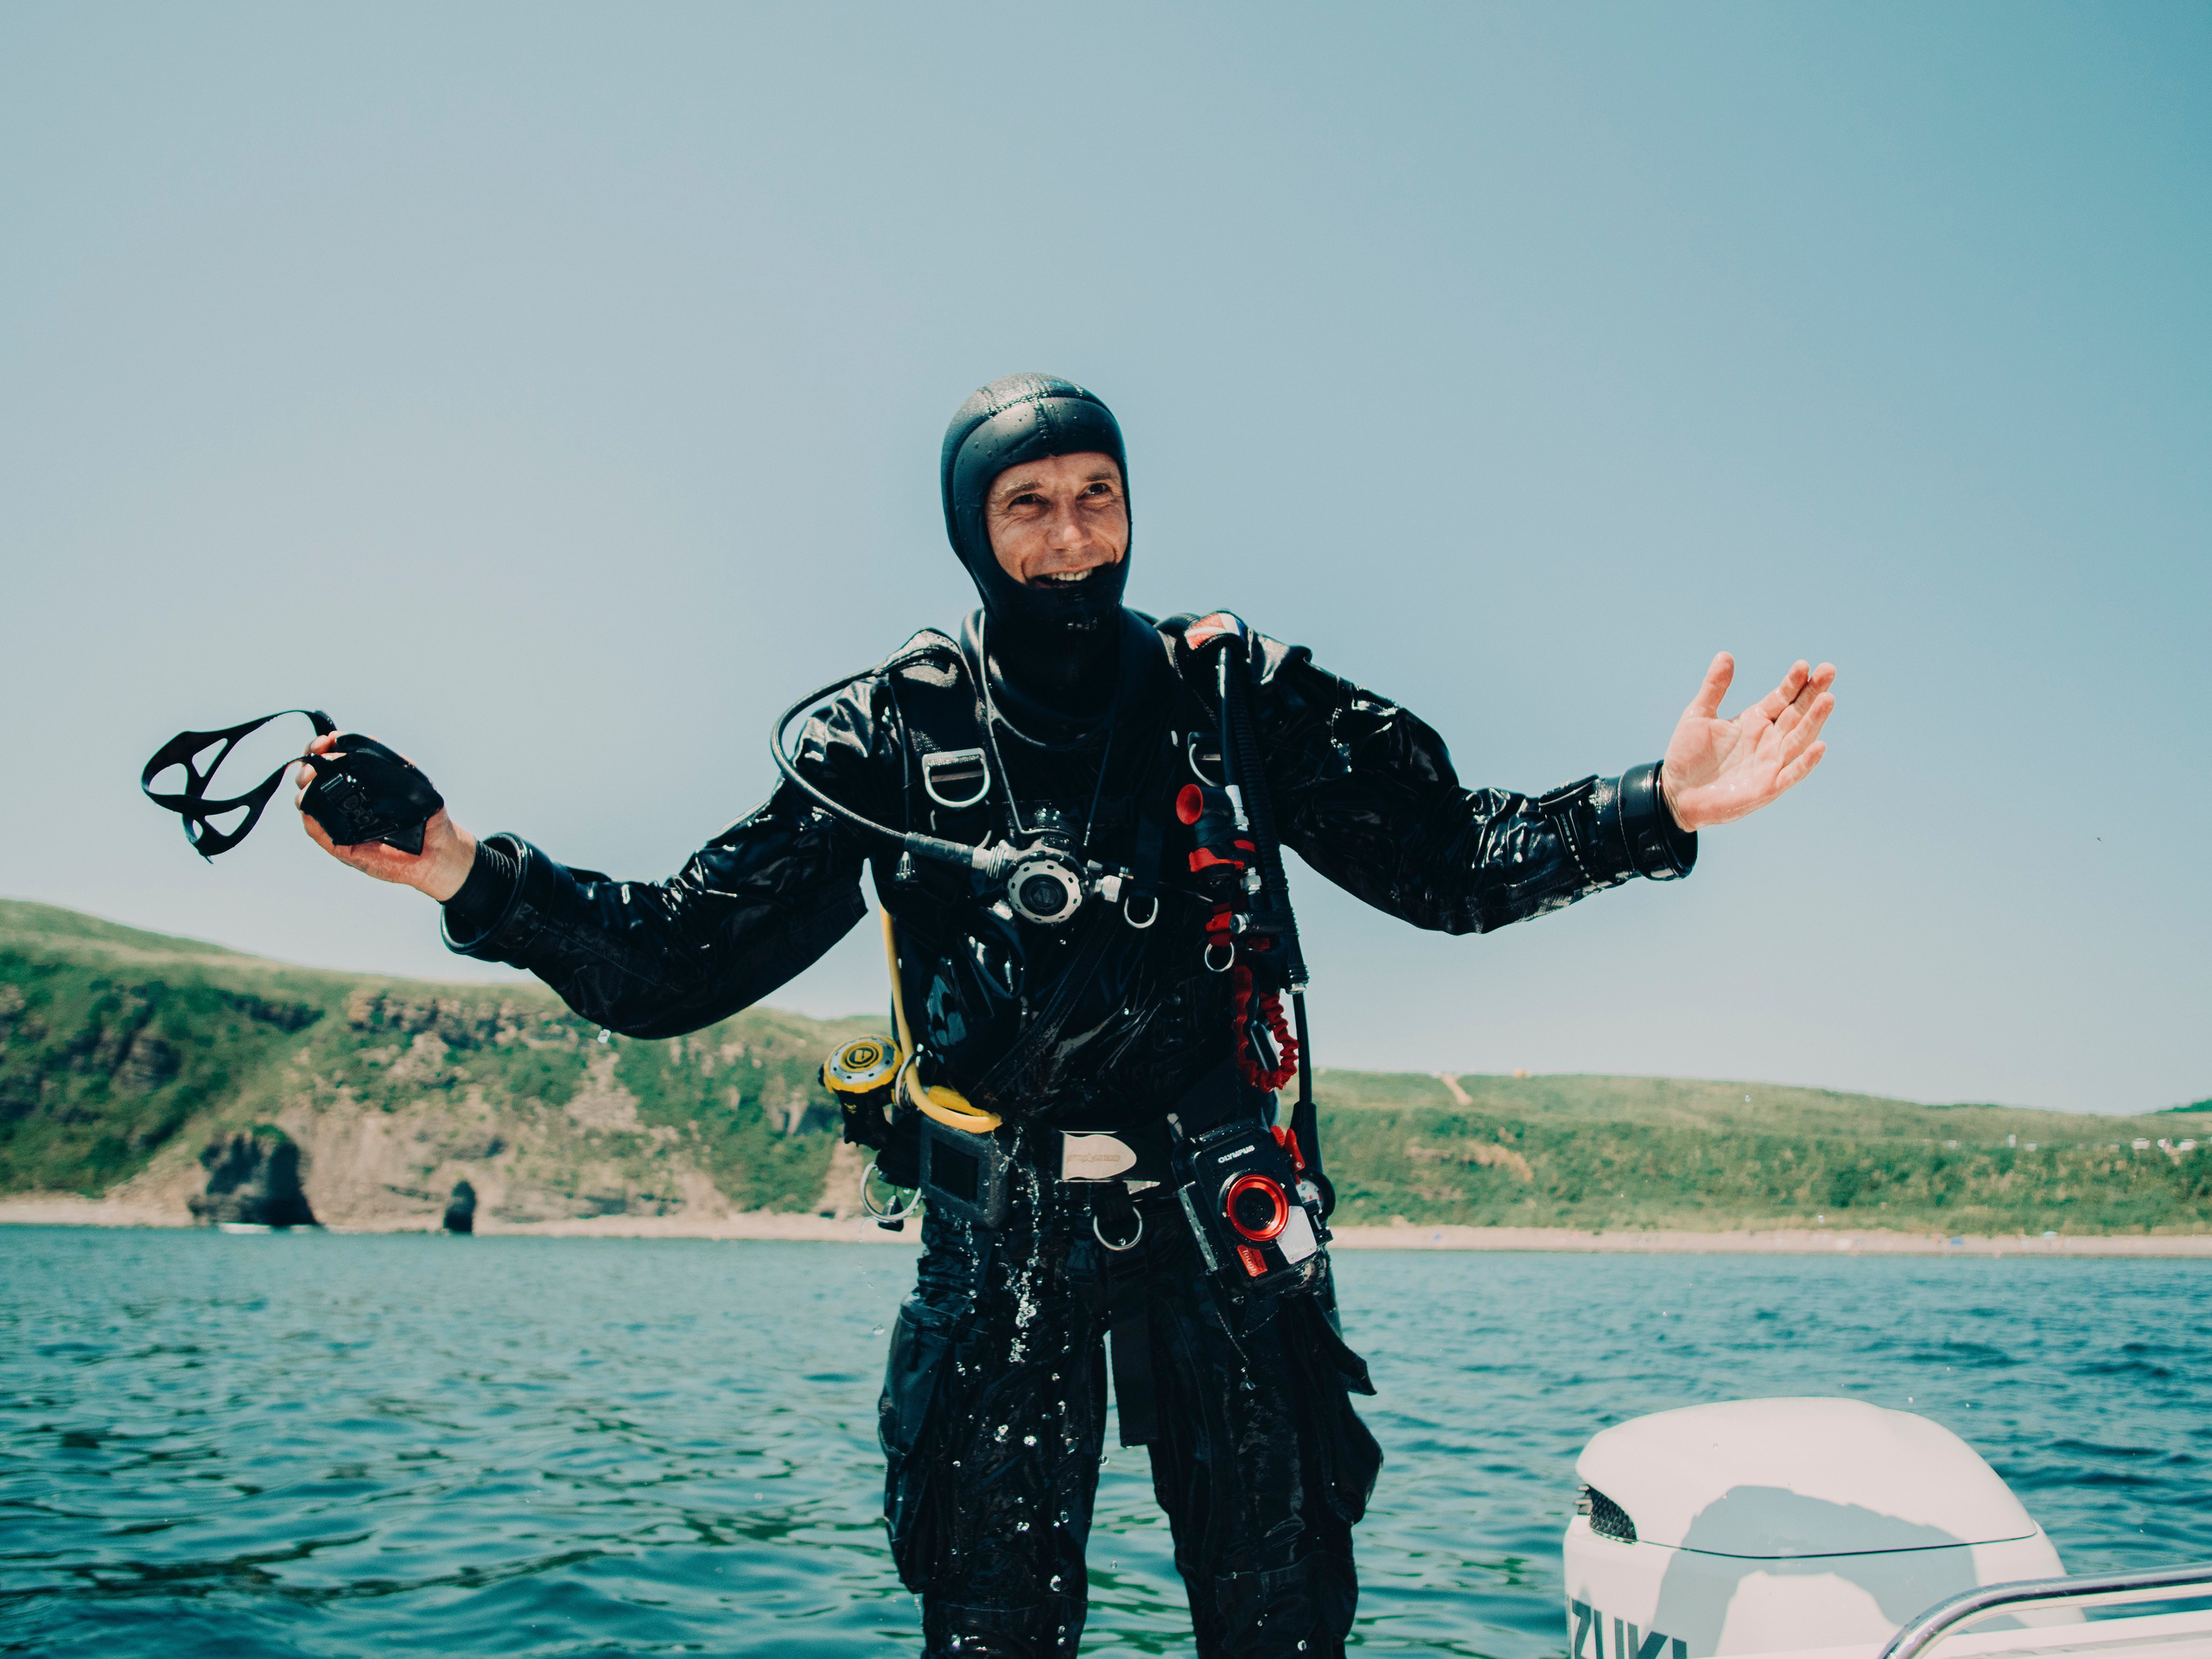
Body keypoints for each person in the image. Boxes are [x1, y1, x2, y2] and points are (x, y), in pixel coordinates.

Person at [298, 372, 1836, 1659]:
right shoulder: (882, 736)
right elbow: (679, 959)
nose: (1072, 534)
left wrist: (1655, 804)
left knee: (1283, 1611)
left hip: (1231, 1225)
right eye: (1028, 504)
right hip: (1002, 1239)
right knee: (991, 1624)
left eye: (1098, 493)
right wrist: (459, 869)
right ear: (973, 528)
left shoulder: (1234, 697)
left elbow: (1450, 862)